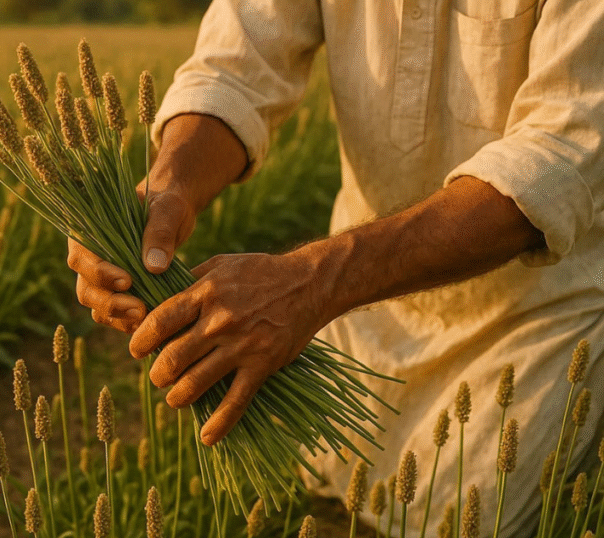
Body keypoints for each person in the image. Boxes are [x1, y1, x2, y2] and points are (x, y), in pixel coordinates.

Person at [66, 0, 604, 535]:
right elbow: (235, 65)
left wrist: (315, 281)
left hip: (541, 309)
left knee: (470, 516)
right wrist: (170, 187)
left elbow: (560, 153)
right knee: (321, 476)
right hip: (362, 306)